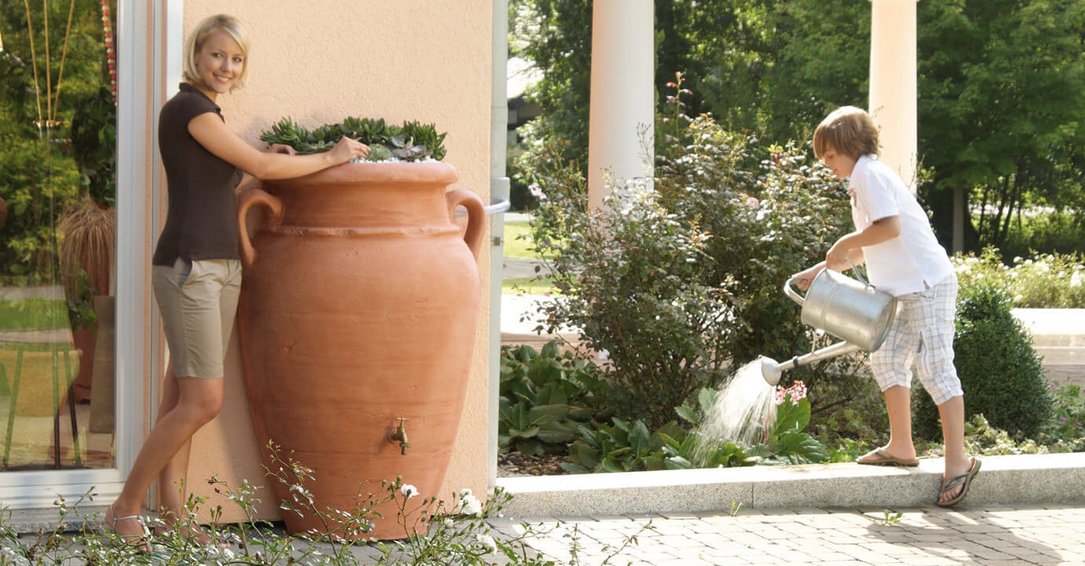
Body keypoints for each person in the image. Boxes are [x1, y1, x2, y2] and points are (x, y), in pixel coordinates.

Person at [103, 14, 370, 547]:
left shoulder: (210, 115)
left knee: (180, 400)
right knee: (203, 402)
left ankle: (173, 517)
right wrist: (331, 156)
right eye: (218, 55)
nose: (226, 66)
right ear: (197, 55)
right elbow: (257, 168)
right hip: (191, 268)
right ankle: (124, 507)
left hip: (220, 266)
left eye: (237, 58)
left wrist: (261, 162)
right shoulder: (188, 109)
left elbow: (227, 178)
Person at [792, 106, 980, 508]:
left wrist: (844, 242)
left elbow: (888, 228)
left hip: (926, 285)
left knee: (935, 368)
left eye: (830, 155)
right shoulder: (860, 181)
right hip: (901, 290)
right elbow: (870, 245)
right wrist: (820, 270)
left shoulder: (870, 175)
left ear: (851, 147)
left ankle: (958, 461)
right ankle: (901, 446)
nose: (826, 163)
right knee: (887, 359)